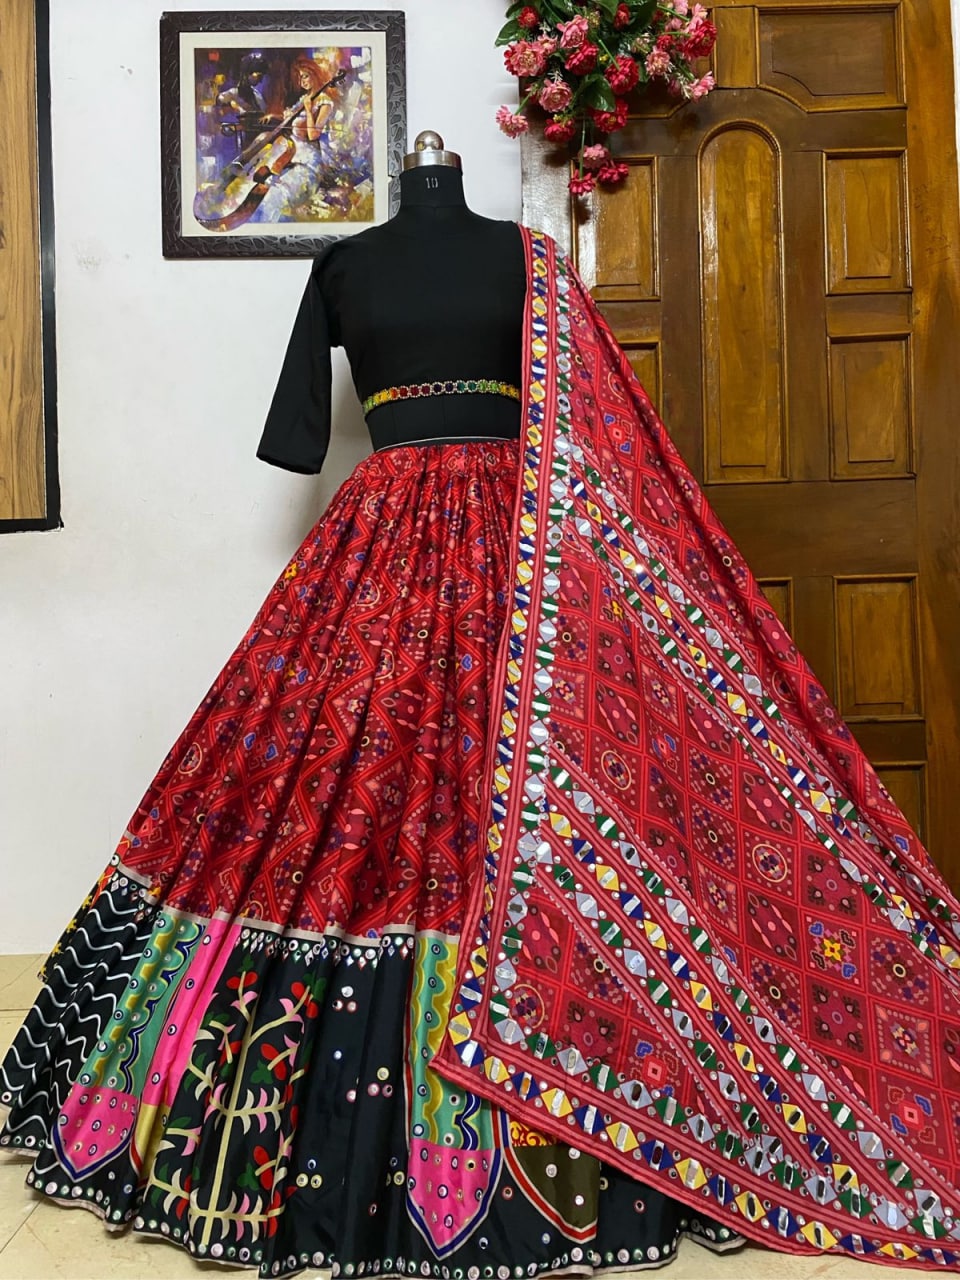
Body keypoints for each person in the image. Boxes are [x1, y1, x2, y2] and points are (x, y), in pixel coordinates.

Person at [4, 135, 960, 1279]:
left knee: (540, 767)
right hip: (390, 550)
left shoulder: (533, 260)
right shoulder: (349, 263)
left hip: (531, 554)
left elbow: (353, 437)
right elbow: (301, 431)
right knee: (343, 776)